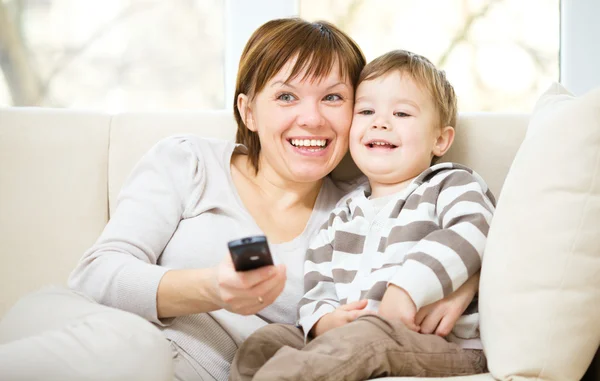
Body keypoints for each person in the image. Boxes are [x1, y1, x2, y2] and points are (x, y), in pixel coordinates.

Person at [0, 20, 480, 381]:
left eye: (333, 98)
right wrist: (212, 288)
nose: (311, 119)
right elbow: (94, 276)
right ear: (248, 111)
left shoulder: (358, 215)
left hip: (189, 373)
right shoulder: (189, 162)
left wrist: (465, 280)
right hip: (83, 328)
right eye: (287, 96)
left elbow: (459, 229)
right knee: (135, 348)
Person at [229, 50, 496, 381]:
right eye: (366, 111)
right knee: (266, 342)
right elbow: (319, 282)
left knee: (368, 339)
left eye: (401, 113)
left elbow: (475, 230)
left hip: (441, 345)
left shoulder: (450, 184)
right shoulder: (343, 212)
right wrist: (325, 320)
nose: (380, 122)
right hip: (351, 336)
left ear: (440, 139)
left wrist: (406, 290)